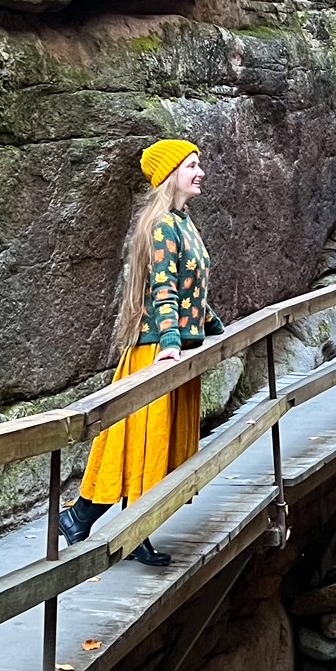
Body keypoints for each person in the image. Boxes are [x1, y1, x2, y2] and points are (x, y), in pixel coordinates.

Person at [59, 138, 223, 567]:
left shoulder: (182, 221)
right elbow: (163, 289)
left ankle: (80, 519)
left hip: (177, 348)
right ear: (171, 174)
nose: (200, 171)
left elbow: (190, 288)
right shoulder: (162, 225)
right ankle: (131, 531)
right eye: (191, 165)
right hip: (158, 351)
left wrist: (210, 322)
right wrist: (170, 344)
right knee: (144, 443)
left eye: (198, 164)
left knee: (148, 444)